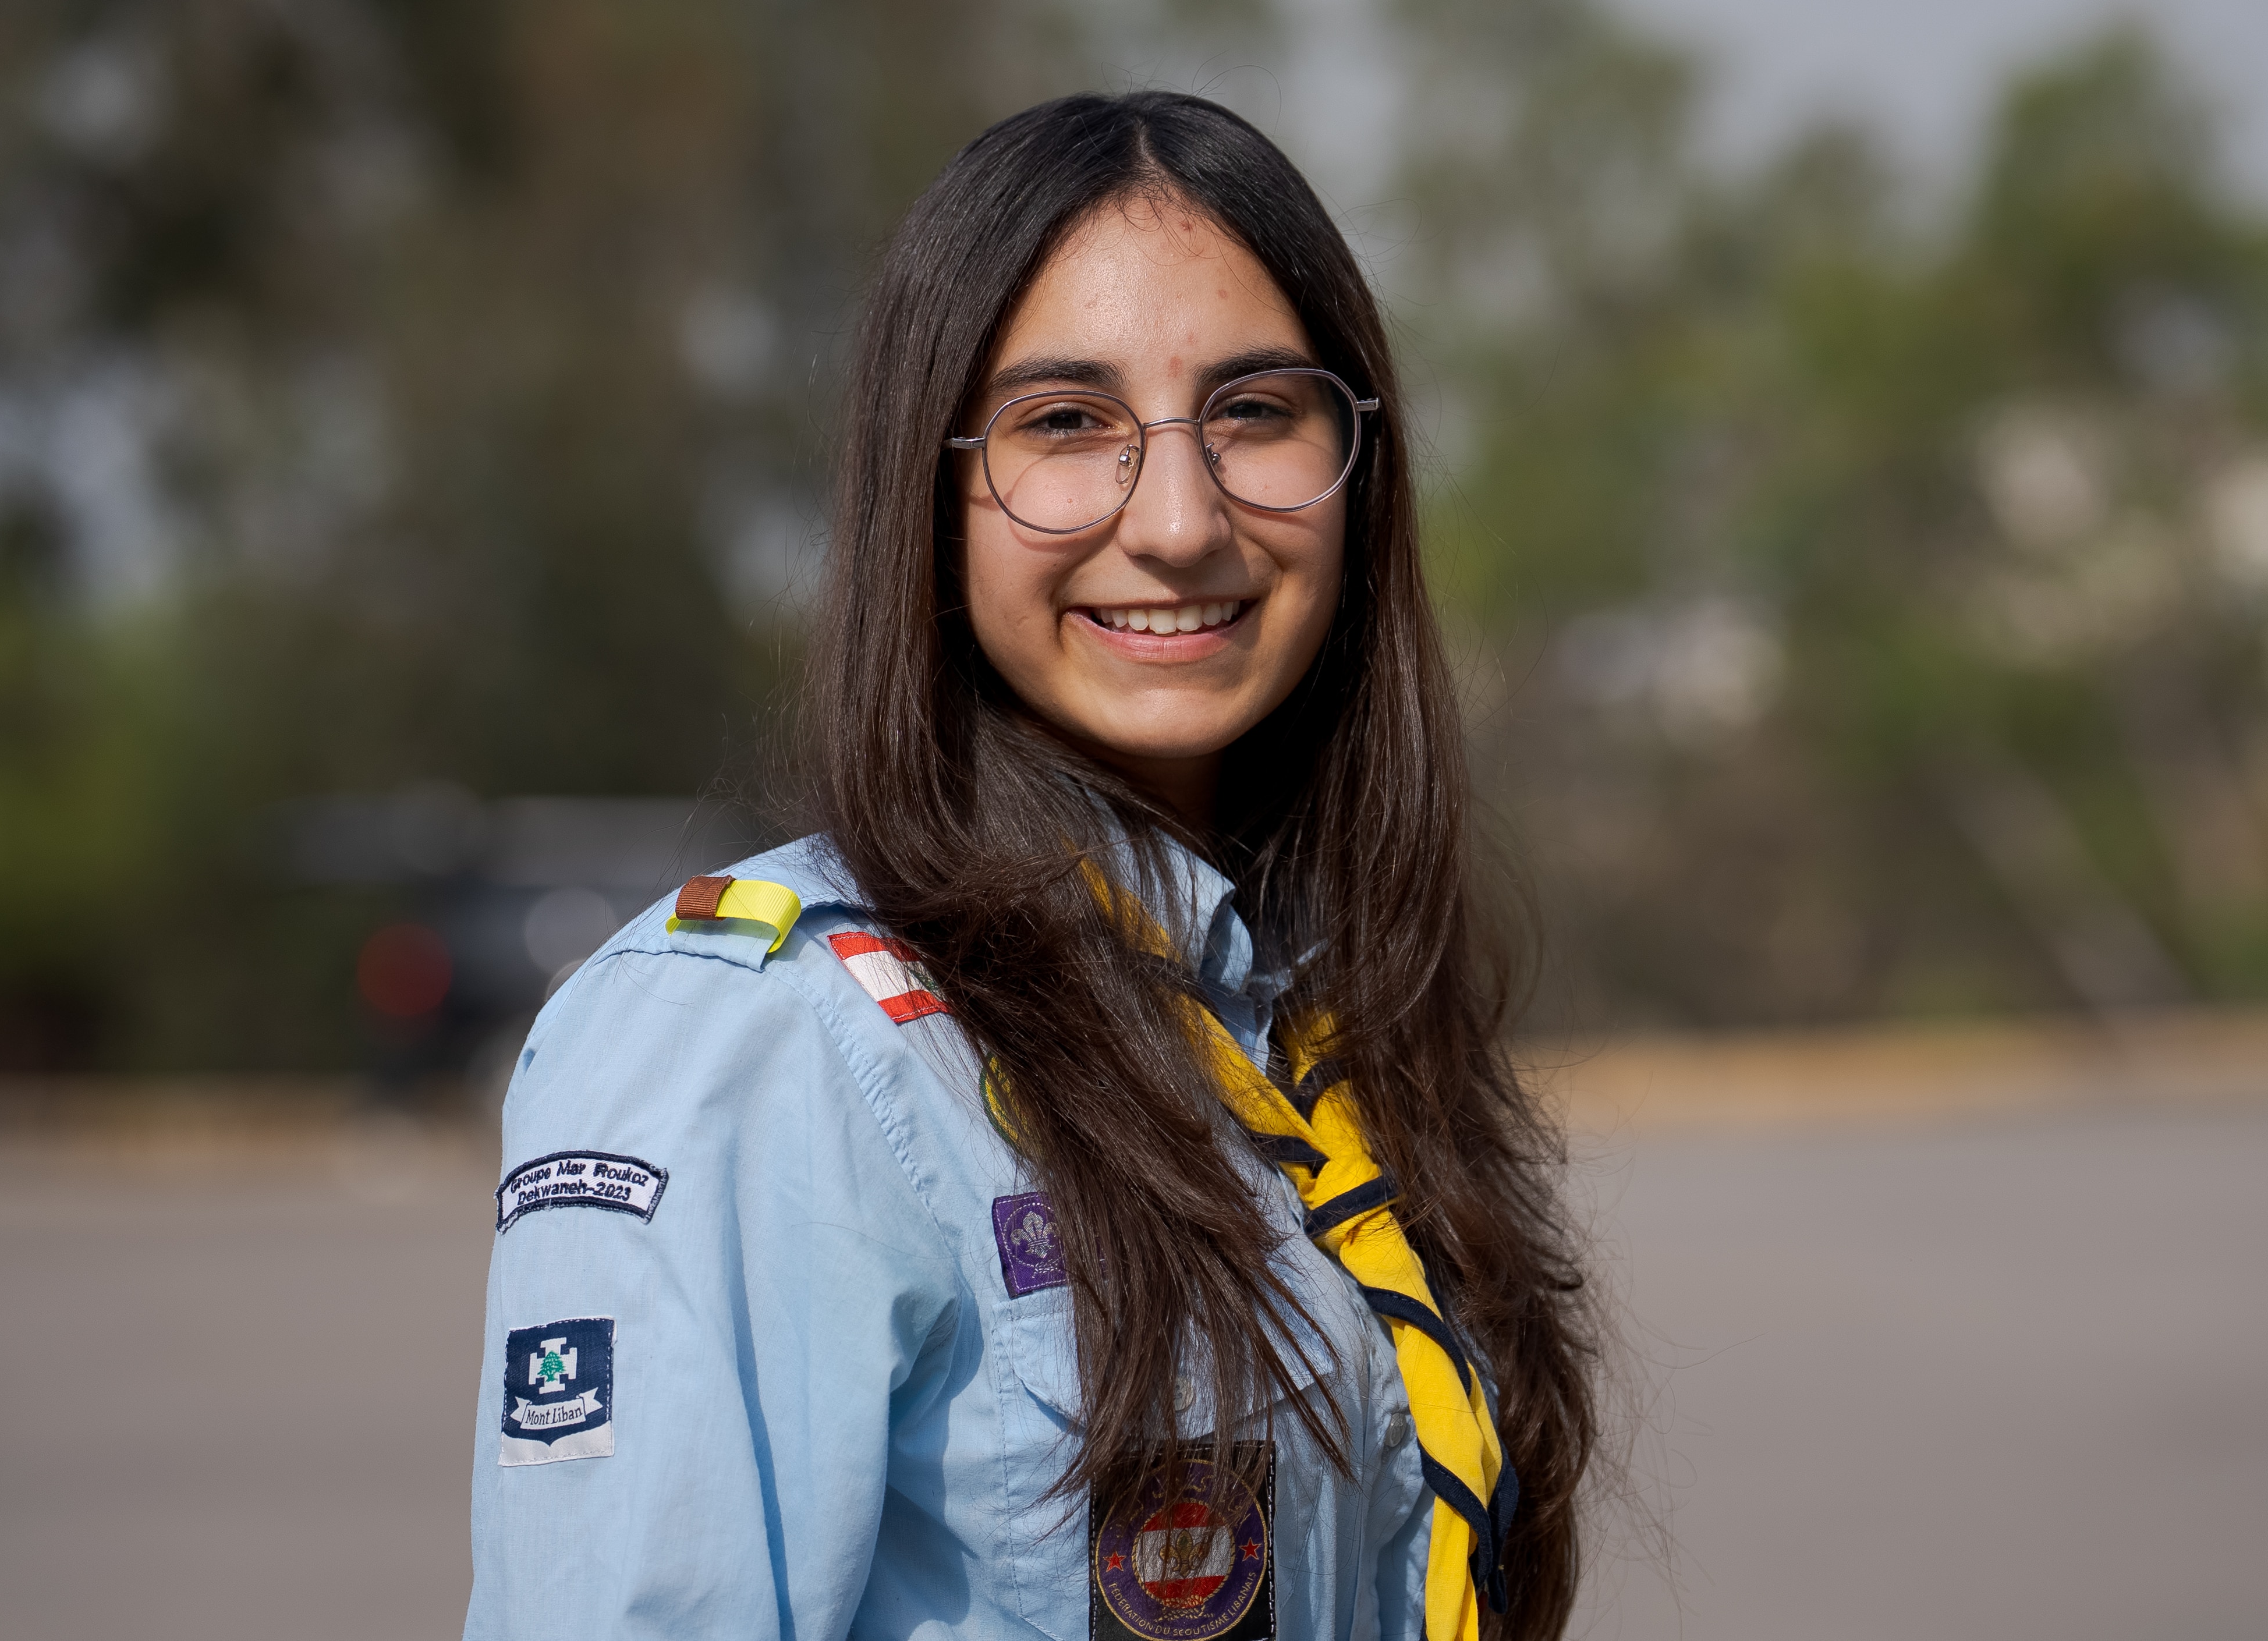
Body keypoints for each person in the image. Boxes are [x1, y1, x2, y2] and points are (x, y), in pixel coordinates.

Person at [466, 91, 1600, 1641]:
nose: (1184, 519)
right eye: (1066, 425)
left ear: (1360, 464)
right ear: (928, 493)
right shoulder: (768, 1036)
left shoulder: (1319, 1027)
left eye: (1257, 410)